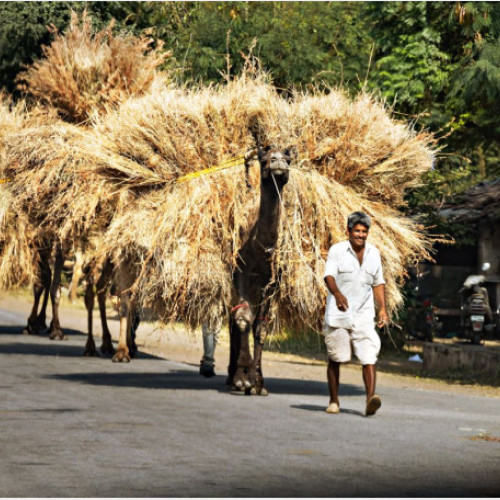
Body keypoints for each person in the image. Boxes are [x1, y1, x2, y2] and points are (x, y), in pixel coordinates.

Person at [323, 211, 389, 416]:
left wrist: (383, 309)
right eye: (357, 231)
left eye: (364, 231)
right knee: (337, 357)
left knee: (369, 354)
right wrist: (337, 294)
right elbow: (329, 276)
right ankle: (334, 400)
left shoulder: (374, 254)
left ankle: (370, 399)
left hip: (363, 313)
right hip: (339, 313)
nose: (361, 235)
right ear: (349, 231)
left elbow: (378, 282)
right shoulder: (337, 251)